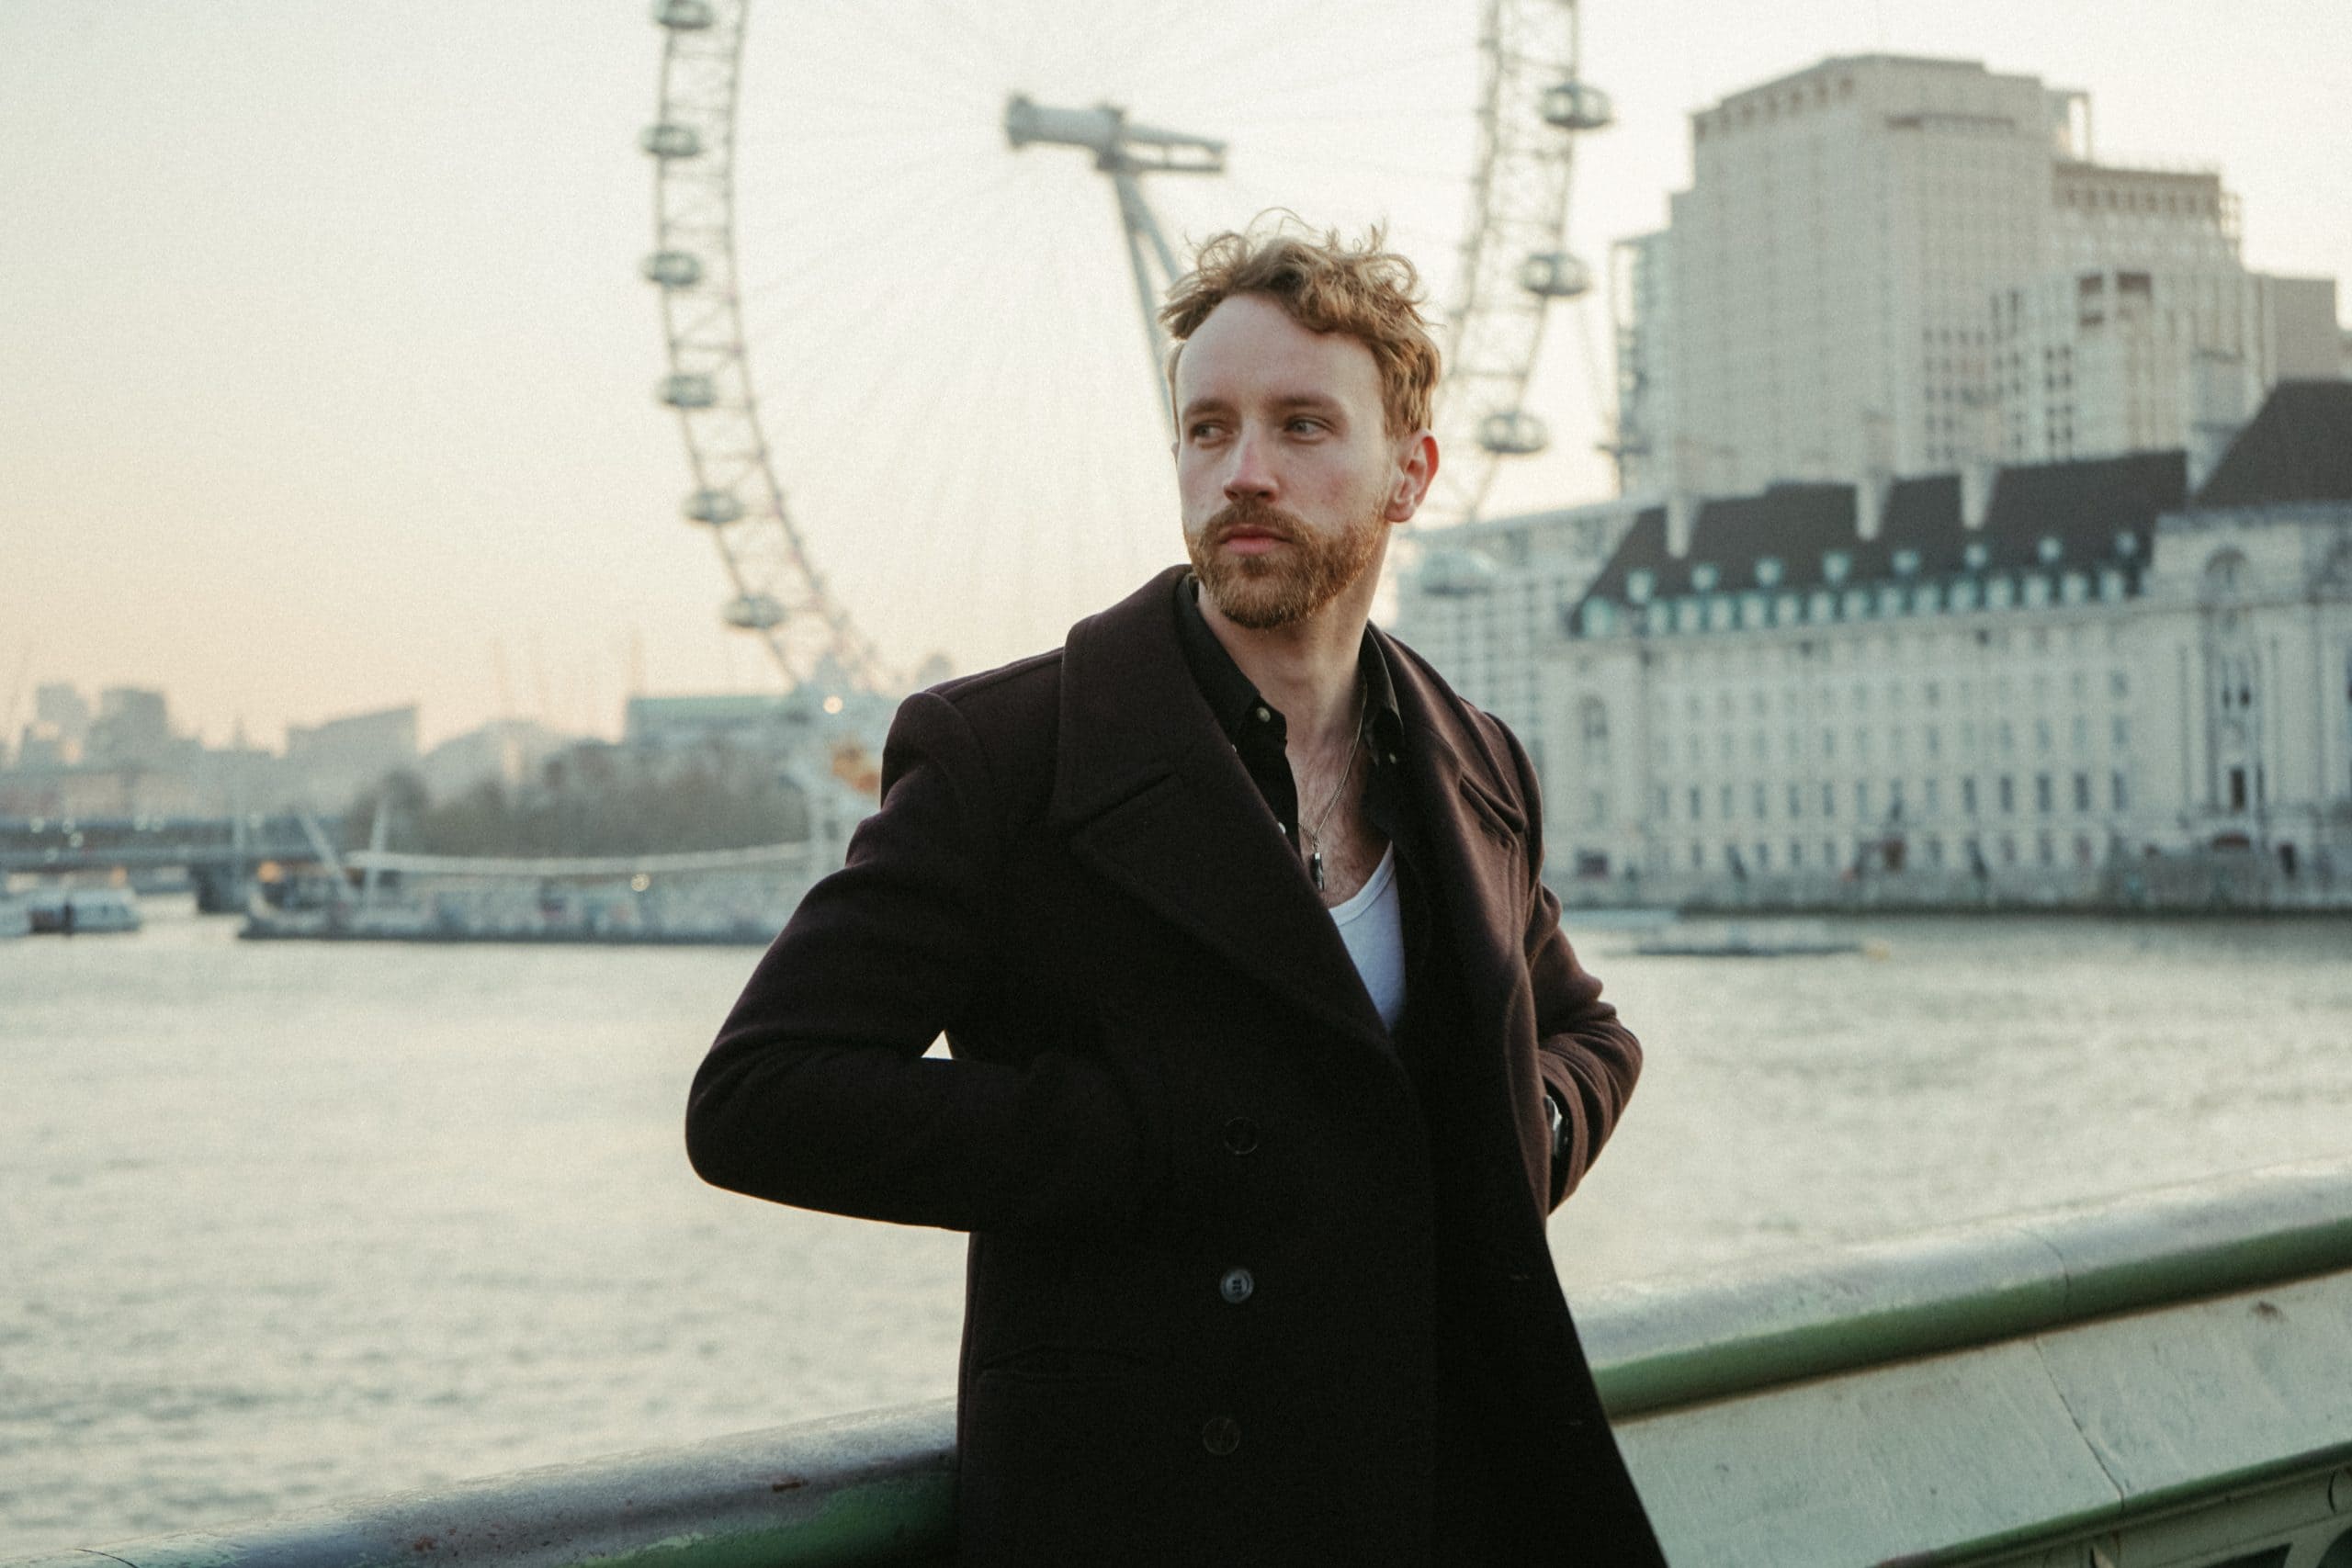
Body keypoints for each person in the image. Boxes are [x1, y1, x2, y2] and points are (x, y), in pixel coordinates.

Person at [685, 220, 1664, 1565]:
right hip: (1145, 1512)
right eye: (1208, 429)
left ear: (1411, 473)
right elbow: (759, 1096)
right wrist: (1143, 1143)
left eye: (1302, 426)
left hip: (1431, 1495)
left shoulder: (1471, 763)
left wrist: (1515, 1141)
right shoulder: (1012, 756)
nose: (1243, 471)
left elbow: (1589, 1033)